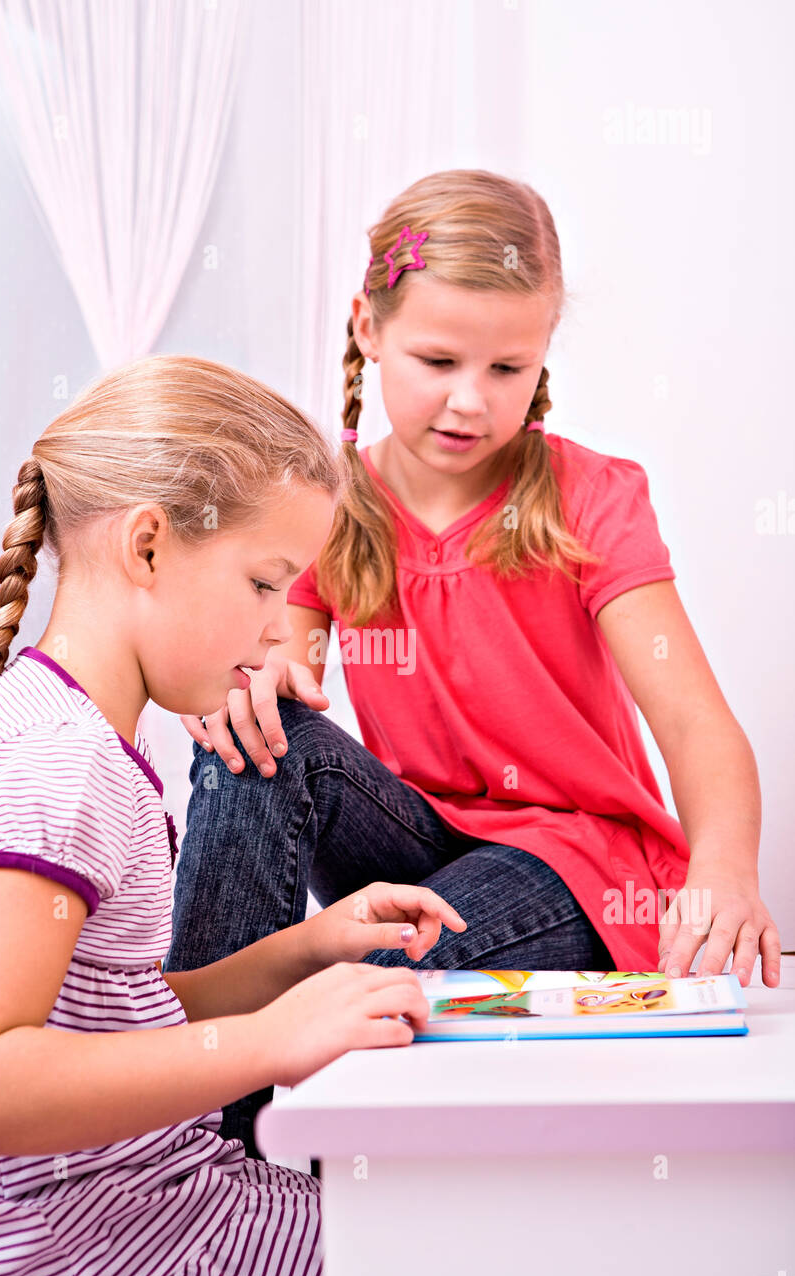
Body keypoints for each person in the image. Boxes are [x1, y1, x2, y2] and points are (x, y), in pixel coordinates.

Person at [169, 170, 780, 1157]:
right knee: (254, 742)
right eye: (437, 359)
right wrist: (258, 680)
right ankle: (190, 1103)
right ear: (366, 327)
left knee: (386, 975)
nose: (469, 401)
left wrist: (721, 868)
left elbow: (695, 723)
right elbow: (283, 658)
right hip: (423, 840)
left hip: (574, 861)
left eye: (507, 369)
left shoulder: (588, 498)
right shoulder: (331, 503)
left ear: (541, 360)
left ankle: (248, 1138)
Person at [0, 354, 467, 1276]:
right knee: (460, 1251)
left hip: (127, 1204)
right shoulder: (62, 761)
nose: (279, 630)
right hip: (77, 1250)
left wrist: (303, 951)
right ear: (147, 548)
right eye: (267, 584)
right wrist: (270, 1044)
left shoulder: (63, 729)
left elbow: (113, 1013)